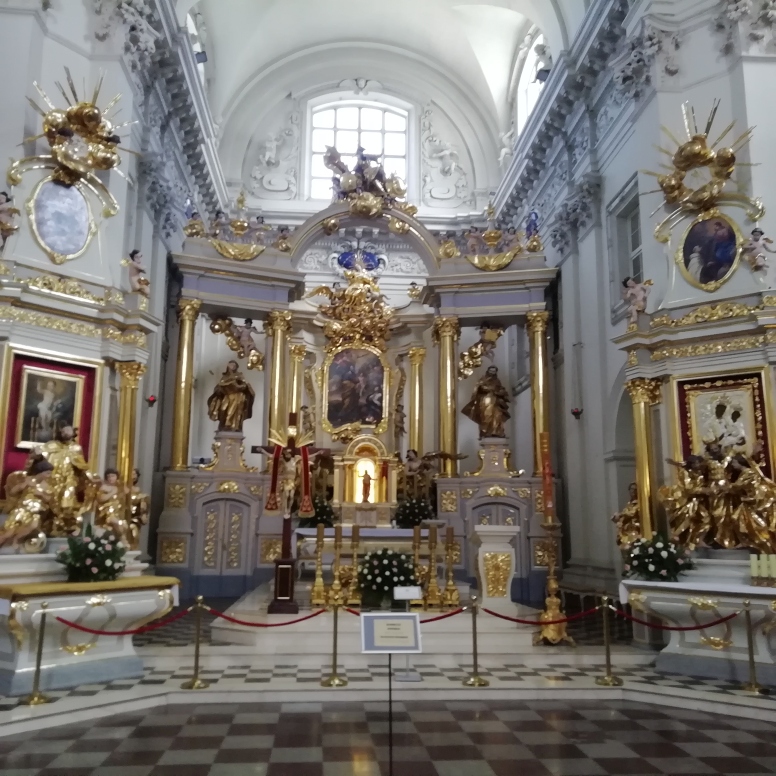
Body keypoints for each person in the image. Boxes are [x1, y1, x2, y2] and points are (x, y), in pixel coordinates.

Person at [36, 425, 99, 536]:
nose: (66, 434)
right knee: (51, 502)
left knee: (67, 502)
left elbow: (82, 465)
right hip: (52, 478)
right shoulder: (51, 445)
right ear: (60, 433)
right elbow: (40, 458)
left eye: (69, 432)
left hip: (69, 479)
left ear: (73, 434)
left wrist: (91, 477)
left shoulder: (76, 448)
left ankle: (67, 525)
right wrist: (36, 454)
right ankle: (51, 525)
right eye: (64, 431)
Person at [0, 459, 54, 550]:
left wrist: (41, 495)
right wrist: (23, 485)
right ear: (41, 472)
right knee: (8, 533)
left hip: (36, 512)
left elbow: (49, 499)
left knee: (33, 526)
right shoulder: (28, 480)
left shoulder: (47, 485)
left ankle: (17, 539)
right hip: (22, 510)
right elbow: (12, 492)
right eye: (47, 473)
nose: (49, 475)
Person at [462, 366, 511, 439]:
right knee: (486, 416)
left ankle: (496, 432)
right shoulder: (483, 379)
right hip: (485, 400)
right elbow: (479, 387)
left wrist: (500, 392)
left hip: (496, 402)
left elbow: (500, 389)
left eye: (494, 371)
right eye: (491, 371)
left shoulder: (497, 381)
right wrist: (488, 388)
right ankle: (485, 432)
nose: (492, 373)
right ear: (488, 371)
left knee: (498, 415)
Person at [207, 360, 255, 432]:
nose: (232, 367)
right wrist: (220, 389)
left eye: (234, 365)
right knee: (223, 409)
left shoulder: (239, 375)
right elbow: (219, 386)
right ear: (228, 366)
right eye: (231, 365)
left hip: (237, 397)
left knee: (234, 412)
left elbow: (245, 385)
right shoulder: (225, 376)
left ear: (236, 367)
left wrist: (239, 386)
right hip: (227, 396)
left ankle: (233, 426)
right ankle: (223, 426)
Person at [95, 468, 132, 547]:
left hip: (118, 512)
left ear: (116, 477)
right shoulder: (104, 487)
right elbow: (101, 498)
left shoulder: (120, 487)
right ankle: (123, 540)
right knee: (116, 523)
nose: (110, 478)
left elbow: (127, 493)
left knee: (124, 526)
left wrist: (123, 488)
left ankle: (120, 541)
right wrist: (112, 492)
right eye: (108, 476)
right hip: (107, 512)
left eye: (112, 476)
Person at [128, 468, 150, 551]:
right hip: (125, 514)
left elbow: (142, 505)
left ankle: (134, 548)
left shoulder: (138, 490)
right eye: (132, 474)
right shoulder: (124, 489)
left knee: (135, 532)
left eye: (135, 474)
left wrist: (143, 504)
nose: (133, 476)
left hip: (135, 516)